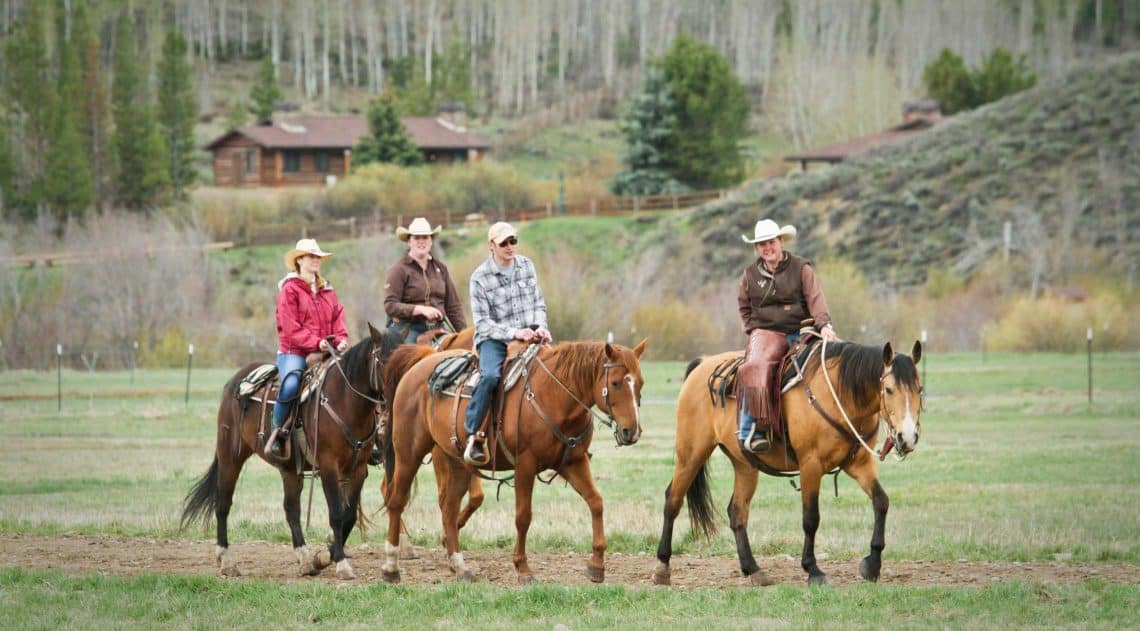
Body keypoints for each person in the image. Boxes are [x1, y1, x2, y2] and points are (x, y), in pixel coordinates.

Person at [736, 219, 839, 454]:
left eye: (771, 242)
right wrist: (752, 330)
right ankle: (751, 429)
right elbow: (743, 305)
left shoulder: (802, 268)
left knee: (831, 360)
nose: (767, 248)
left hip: (801, 330)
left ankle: (837, 421)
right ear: (757, 248)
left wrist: (824, 325)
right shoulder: (750, 275)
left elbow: (816, 299)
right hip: (765, 332)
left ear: (780, 242)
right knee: (754, 365)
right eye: (761, 244)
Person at [463, 221, 552, 465]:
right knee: (490, 376)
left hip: (530, 333)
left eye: (513, 241)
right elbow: (482, 324)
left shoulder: (527, 266)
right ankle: (475, 434)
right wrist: (515, 333)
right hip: (495, 340)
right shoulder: (479, 278)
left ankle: (560, 437)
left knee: (556, 371)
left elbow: (538, 303)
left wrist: (541, 327)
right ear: (491, 245)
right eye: (504, 242)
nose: (510, 246)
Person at [265, 238, 349, 458]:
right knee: (292, 384)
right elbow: (290, 328)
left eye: (318, 257)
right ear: (299, 260)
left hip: (326, 352)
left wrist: (340, 339)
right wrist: (316, 343)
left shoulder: (327, 290)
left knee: (352, 379)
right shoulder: (289, 290)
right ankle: (277, 432)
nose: (316, 260)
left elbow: (338, 316)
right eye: (311, 256)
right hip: (294, 352)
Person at [384, 217, 467, 344]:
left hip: (438, 328)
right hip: (409, 329)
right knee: (407, 358)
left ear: (431, 241)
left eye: (425, 237)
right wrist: (419, 309)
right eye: (416, 238)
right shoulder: (399, 270)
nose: (421, 241)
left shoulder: (441, 268)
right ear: (409, 242)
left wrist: (465, 335)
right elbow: (390, 305)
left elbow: (453, 307)